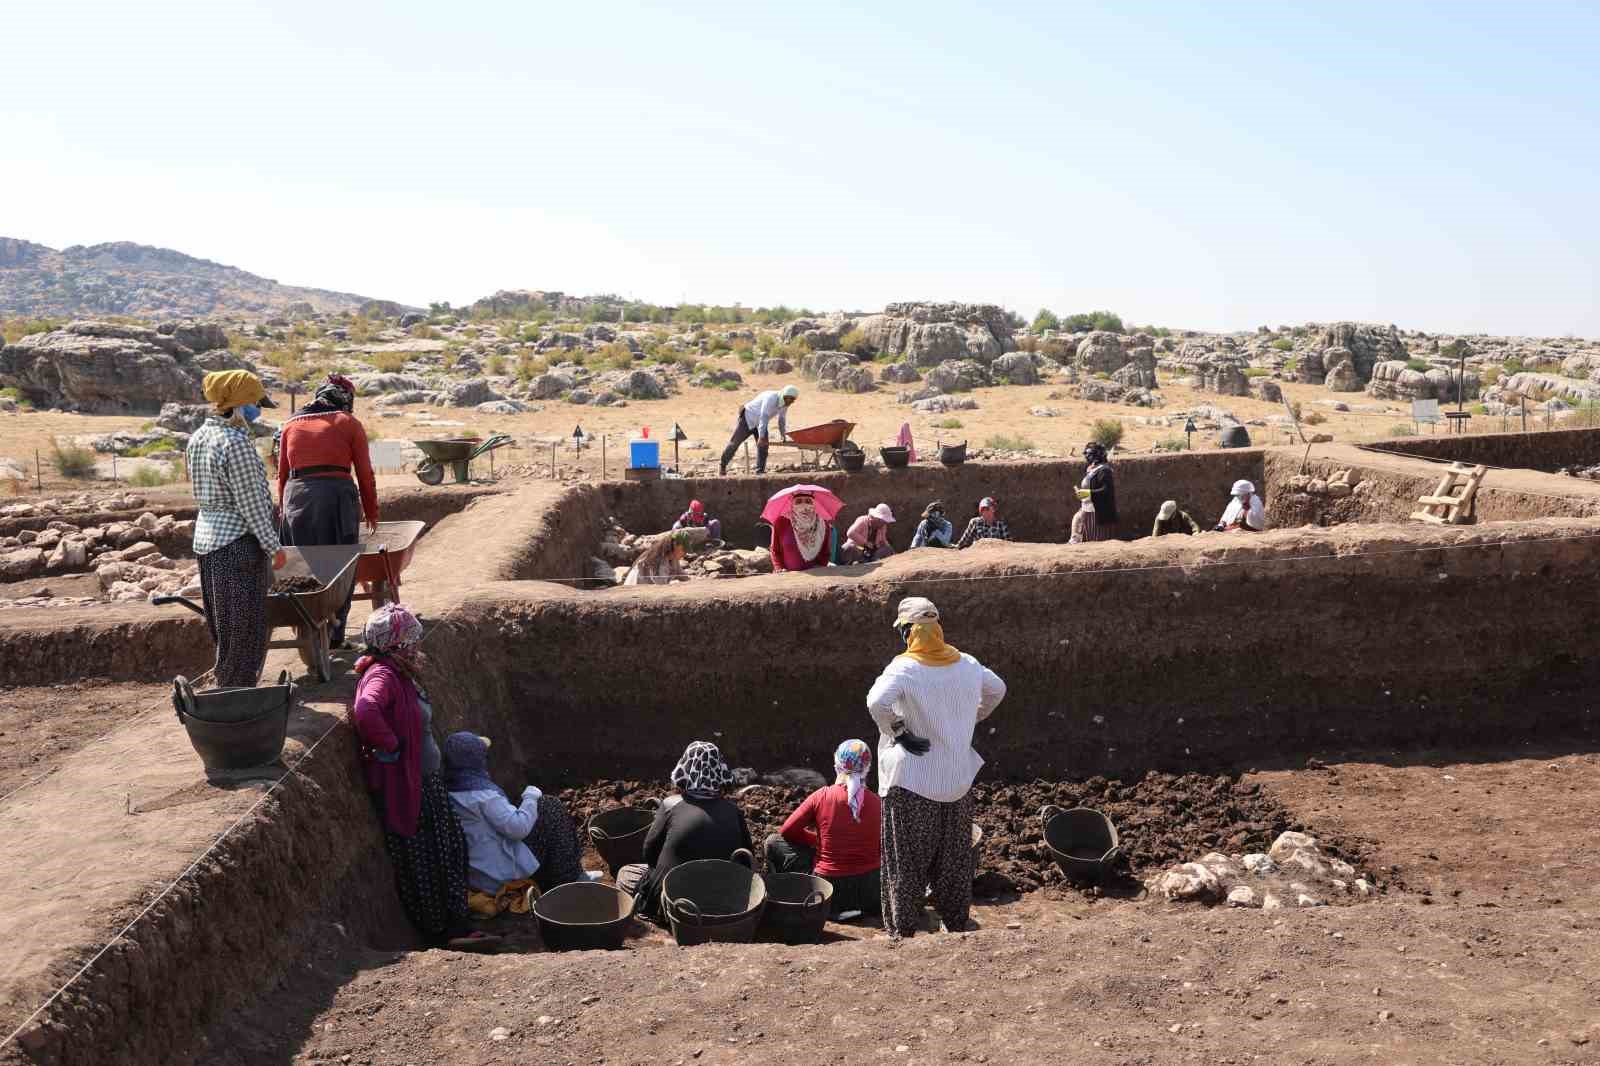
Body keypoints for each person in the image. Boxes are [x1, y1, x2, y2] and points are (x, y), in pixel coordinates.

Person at [867, 597, 1006, 938]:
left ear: (909, 633)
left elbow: (876, 702)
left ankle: (902, 933)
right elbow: (997, 689)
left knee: (906, 863)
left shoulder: (904, 668)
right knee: (955, 861)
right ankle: (955, 926)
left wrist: (899, 731)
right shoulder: (968, 664)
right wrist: (968, 718)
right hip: (957, 783)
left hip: (913, 783)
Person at [350, 604, 486, 949]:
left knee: (449, 848)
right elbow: (366, 709)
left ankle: (457, 923)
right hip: (410, 787)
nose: (416, 647)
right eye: (409, 641)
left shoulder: (399, 672)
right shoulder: (383, 675)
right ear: (394, 646)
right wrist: (390, 744)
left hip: (424, 781)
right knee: (425, 856)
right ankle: (445, 932)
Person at [185, 370, 285, 687]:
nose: (257, 409)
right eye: (255, 402)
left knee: (225, 627)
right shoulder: (236, 444)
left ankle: (228, 688)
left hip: (208, 542)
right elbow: (252, 503)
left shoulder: (198, 438)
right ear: (239, 405)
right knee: (244, 631)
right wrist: (273, 546)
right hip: (238, 546)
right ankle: (237, 698)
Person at [275, 374, 378, 646]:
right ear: (347, 398)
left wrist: (283, 510)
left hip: (296, 499)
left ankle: (305, 628)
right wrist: (371, 511)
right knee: (341, 565)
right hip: (336, 499)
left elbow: (282, 475)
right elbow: (365, 474)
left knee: (301, 565)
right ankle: (335, 637)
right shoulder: (349, 424)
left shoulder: (290, 424)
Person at [442, 731, 588, 917]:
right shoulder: (484, 797)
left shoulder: (448, 796)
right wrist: (531, 796)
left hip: (479, 877)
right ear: (475, 761)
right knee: (550, 806)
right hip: (505, 876)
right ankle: (570, 881)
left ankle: (565, 876)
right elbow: (518, 828)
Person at [615, 741, 754, 920]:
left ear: (685, 768)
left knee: (625, 873)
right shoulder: (733, 811)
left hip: (673, 902)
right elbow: (746, 858)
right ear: (720, 770)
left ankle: (654, 920)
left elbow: (649, 853)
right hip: (721, 902)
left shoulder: (670, 805)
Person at [764, 739, 882, 920]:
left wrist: (817, 841)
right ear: (867, 768)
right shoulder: (878, 803)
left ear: (837, 766)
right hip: (871, 894)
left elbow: (787, 831)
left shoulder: (822, 796)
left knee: (773, 842)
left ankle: (787, 900)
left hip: (827, 893)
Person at [719, 385, 798, 475]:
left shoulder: (785, 403)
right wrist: (761, 436)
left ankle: (760, 471)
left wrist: (783, 434)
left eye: (793, 400)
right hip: (747, 418)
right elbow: (763, 417)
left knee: (763, 446)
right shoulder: (771, 398)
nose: (791, 402)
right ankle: (722, 465)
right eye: (790, 399)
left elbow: (782, 419)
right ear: (785, 396)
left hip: (759, 424)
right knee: (735, 443)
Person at [770, 490, 834, 571]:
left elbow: (826, 552)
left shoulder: (823, 525)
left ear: (813, 504)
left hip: (816, 575)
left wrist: (820, 566)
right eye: (798, 501)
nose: (803, 505)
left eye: (808, 501)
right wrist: (779, 568)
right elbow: (775, 550)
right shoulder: (781, 522)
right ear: (792, 504)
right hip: (787, 575)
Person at [1079, 442, 1118, 541]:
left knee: (1098, 541)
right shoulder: (1092, 469)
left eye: (1089, 454)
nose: (1087, 457)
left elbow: (1106, 491)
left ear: (1096, 456)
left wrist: (1088, 493)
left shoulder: (1104, 471)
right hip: (1088, 511)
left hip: (1099, 514)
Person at [624, 530, 691, 586]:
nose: (685, 553)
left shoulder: (673, 559)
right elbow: (661, 585)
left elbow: (682, 576)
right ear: (675, 545)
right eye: (683, 549)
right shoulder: (657, 559)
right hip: (633, 589)